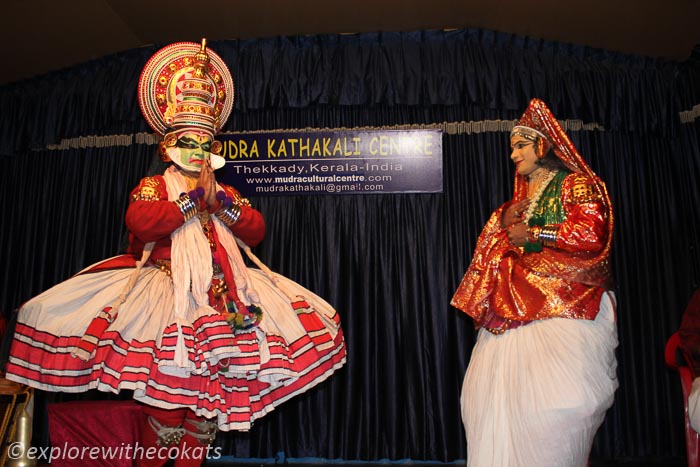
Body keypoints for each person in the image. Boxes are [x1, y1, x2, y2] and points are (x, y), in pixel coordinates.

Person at [5, 39, 346, 466]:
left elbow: (255, 230)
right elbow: (141, 222)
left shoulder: (225, 193)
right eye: (190, 142)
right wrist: (191, 203)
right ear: (168, 147)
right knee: (166, 408)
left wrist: (217, 201)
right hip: (167, 299)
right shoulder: (155, 186)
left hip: (224, 300)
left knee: (205, 415)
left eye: (207, 144)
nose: (199, 151)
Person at [451, 98, 618, 467]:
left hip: (567, 309)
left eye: (520, 146)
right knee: (487, 403)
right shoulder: (519, 200)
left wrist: (537, 232)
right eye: (512, 148)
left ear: (542, 145)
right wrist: (501, 222)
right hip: (513, 311)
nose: (513, 155)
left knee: (559, 406)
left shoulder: (578, 184)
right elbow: (497, 246)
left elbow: (592, 232)